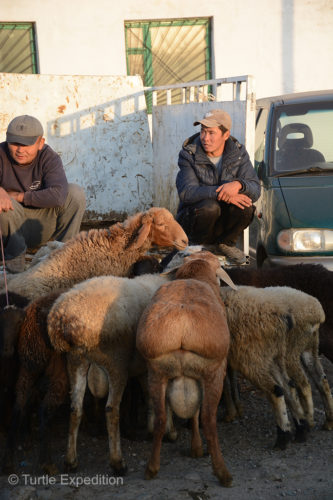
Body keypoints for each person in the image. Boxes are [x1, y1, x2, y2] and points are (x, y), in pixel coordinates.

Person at [0, 115, 86, 273]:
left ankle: (64, 259)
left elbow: (58, 195)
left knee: (75, 192)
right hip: (8, 232)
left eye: (27, 144)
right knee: (4, 205)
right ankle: (14, 267)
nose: (20, 150)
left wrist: (20, 196)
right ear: (7, 140)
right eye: (14, 143)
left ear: (41, 143)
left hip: (42, 224)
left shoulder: (49, 157)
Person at [175, 109, 261, 264]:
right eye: (202, 131)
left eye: (211, 133)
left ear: (226, 135)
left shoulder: (239, 153)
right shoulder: (189, 154)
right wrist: (224, 191)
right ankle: (196, 246)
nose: (205, 138)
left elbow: (255, 189)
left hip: (222, 224)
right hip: (193, 224)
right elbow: (187, 192)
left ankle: (226, 243)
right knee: (210, 207)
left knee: (246, 206)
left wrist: (238, 184)